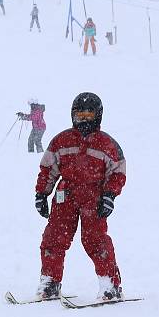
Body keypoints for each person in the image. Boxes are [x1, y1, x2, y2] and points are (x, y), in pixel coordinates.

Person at [33, 92, 127, 301]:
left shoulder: (106, 143)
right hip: (64, 195)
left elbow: (118, 171)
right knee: (54, 238)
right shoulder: (61, 140)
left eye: (89, 115)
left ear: (98, 116)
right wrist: (42, 193)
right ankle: (50, 282)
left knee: (95, 240)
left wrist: (109, 195)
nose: (84, 120)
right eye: (80, 115)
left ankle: (110, 284)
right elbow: (49, 168)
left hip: (93, 196)